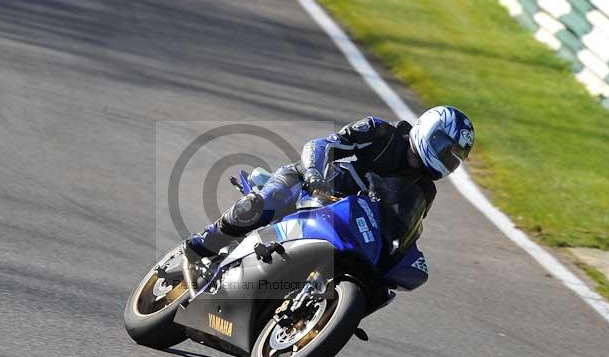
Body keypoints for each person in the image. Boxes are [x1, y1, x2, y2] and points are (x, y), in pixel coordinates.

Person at [182, 106, 475, 286]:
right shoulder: (381, 133)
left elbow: (406, 227)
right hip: (311, 186)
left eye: (453, 158)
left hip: (346, 224)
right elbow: (323, 144)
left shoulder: (425, 189)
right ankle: (201, 246)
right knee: (262, 204)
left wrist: (403, 254)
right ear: (427, 130)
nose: (445, 160)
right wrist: (314, 176)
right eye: (443, 148)